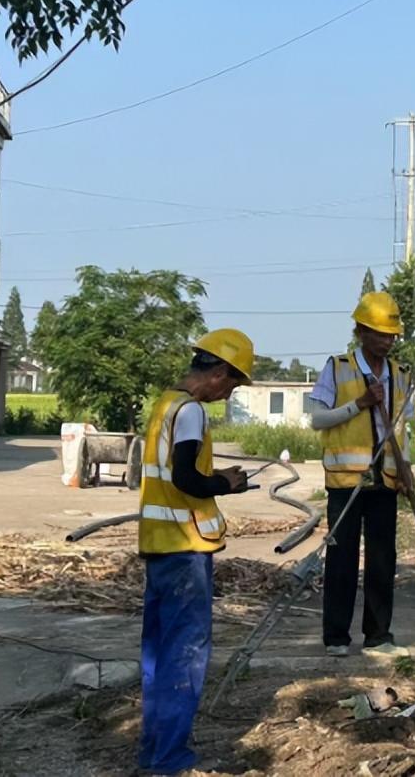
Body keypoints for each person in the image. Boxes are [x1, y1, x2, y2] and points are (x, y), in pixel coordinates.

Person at [138, 329, 254, 774]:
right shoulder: (190, 412)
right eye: (233, 383)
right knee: (184, 653)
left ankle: (153, 752)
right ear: (219, 372)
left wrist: (216, 478)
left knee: (157, 653)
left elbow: (169, 474)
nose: (228, 393)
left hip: (159, 544)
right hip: (186, 547)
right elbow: (186, 478)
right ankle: (170, 759)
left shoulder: (164, 404)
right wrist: (224, 482)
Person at [306, 291, 414, 658]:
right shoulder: (337, 368)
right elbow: (318, 419)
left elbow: (402, 428)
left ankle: (378, 634)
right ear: (362, 332)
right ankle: (336, 636)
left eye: (392, 335)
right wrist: (359, 405)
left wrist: (406, 468)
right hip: (345, 482)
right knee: (342, 560)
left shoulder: (400, 375)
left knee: (383, 559)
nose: (387, 341)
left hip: (384, 481)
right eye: (381, 334)